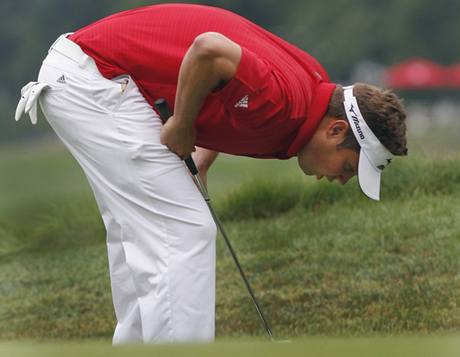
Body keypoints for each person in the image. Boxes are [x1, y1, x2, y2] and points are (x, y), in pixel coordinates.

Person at [15, 3, 407, 345]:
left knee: (145, 230)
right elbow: (209, 50)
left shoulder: (310, 94)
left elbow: (231, 91)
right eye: (348, 168)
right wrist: (183, 124)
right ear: (336, 130)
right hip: (95, 77)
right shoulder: (284, 102)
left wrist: (202, 157)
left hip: (88, 73)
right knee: (184, 228)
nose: (342, 180)